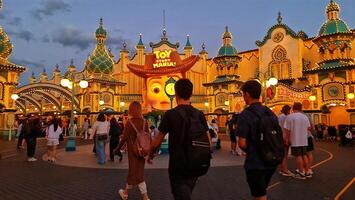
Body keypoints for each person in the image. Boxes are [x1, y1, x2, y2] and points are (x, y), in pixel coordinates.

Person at [148, 79, 211, 200]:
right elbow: (207, 140)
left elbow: (157, 140)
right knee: (186, 192)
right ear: (191, 94)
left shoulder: (171, 114)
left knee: (181, 194)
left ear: (175, 93)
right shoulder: (199, 114)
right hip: (196, 163)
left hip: (178, 165)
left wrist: (150, 154)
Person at [236, 80, 278, 200]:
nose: (243, 97)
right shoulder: (270, 112)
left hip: (255, 163)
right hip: (271, 160)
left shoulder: (246, 114)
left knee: (259, 195)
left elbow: (242, 143)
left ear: (247, 94)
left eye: (243, 94)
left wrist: (254, 150)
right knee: (261, 190)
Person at [115, 101, 150, 200]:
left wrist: (117, 149)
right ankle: (126, 193)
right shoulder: (145, 122)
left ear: (131, 110)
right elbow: (147, 137)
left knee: (136, 173)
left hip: (133, 151)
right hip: (142, 151)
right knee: (137, 171)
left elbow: (124, 138)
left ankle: (145, 197)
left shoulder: (130, 123)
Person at [284, 102, 311, 179]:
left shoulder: (290, 117)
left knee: (298, 156)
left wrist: (287, 139)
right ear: (301, 108)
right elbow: (308, 128)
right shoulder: (305, 117)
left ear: (293, 108)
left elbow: (287, 130)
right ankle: (307, 171)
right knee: (304, 155)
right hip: (304, 140)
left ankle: (301, 172)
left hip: (295, 140)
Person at [278, 105, 294, 177]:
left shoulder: (280, 116)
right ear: (287, 110)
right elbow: (287, 129)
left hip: (280, 136)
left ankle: (281, 169)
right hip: (284, 137)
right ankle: (285, 169)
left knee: (282, 154)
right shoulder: (286, 117)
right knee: (285, 154)